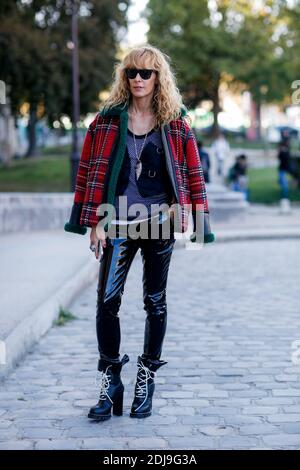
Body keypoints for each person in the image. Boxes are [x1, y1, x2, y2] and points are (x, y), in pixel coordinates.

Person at [64, 44, 214, 422]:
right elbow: (89, 173)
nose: (138, 79)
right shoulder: (106, 120)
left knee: (155, 301)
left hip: (160, 222)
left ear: (158, 77)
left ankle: (146, 376)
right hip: (116, 222)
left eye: (146, 73)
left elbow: (193, 174)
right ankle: (111, 378)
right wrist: (93, 223)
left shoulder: (175, 121)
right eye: (131, 72)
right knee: (106, 301)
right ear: (124, 76)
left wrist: (194, 219)